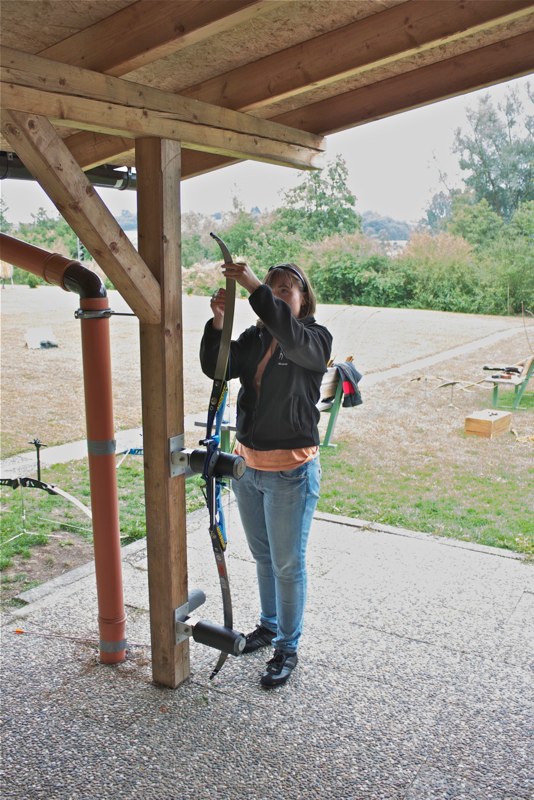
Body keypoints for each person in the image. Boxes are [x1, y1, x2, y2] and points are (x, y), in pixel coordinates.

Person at [200, 259, 332, 688]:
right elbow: (218, 368)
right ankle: (269, 626)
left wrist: (254, 285)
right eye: (271, 290)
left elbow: (289, 334)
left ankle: (287, 647)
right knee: (263, 558)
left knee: (287, 565)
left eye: (285, 290)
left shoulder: (314, 339)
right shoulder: (255, 338)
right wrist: (219, 323)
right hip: (248, 470)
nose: (275, 296)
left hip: (291, 473)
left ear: (303, 299)